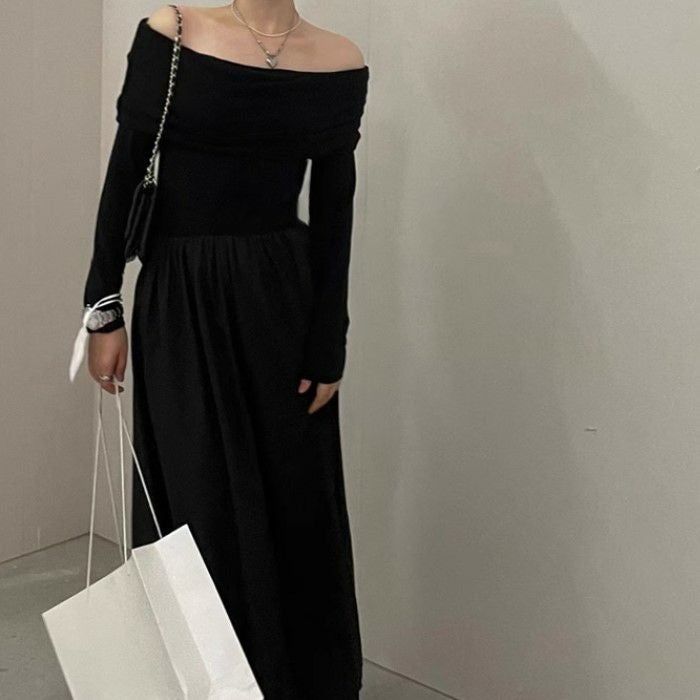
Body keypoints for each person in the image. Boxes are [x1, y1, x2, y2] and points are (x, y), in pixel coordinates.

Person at [77, 3, 369, 698]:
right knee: (195, 496)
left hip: (282, 306)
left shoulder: (338, 60)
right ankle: (202, 683)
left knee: (293, 500)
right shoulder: (173, 32)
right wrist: (104, 307)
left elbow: (335, 211)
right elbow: (125, 173)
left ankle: (292, 681)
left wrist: (328, 343)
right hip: (181, 299)